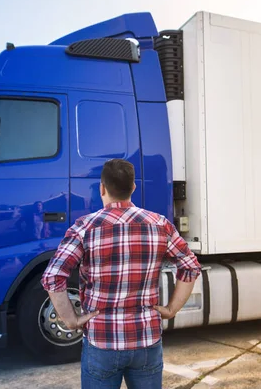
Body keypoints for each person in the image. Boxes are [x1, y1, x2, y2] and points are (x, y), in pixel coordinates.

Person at [41, 159, 201, 389]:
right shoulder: (160, 225)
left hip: (101, 341)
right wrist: (171, 309)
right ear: (133, 187)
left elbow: (53, 277)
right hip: (146, 339)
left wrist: (71, 320)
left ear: (102, 188)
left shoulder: (84, 227)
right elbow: (190, 267)